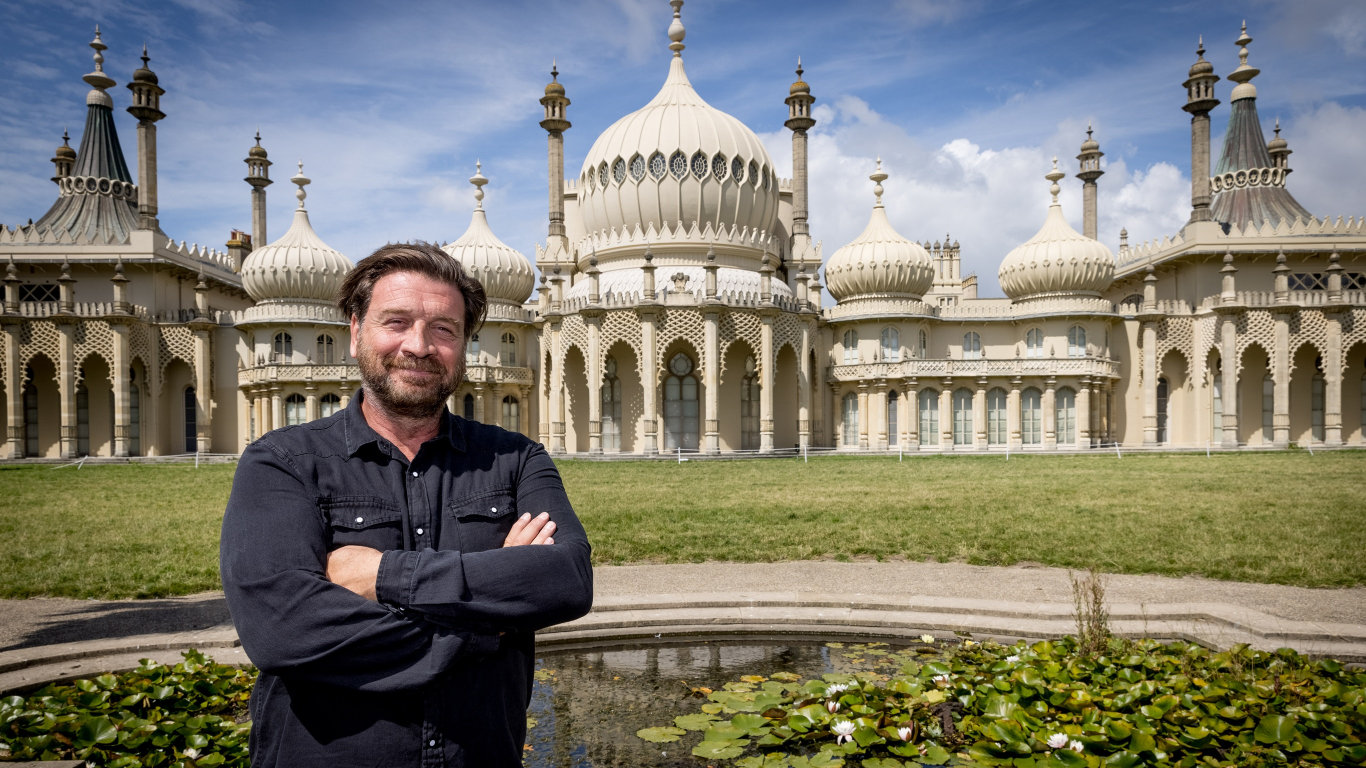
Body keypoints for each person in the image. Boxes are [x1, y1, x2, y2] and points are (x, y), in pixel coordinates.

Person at [220, 242, 593, 767]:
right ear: (355, 332)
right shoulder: (283, 463)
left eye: (444, 329)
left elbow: (567, 580)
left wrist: (384, 576)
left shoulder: (514, 460)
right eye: (396, 322)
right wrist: (491, 619)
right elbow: (284, 631)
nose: (418, 345)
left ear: (464, 345)